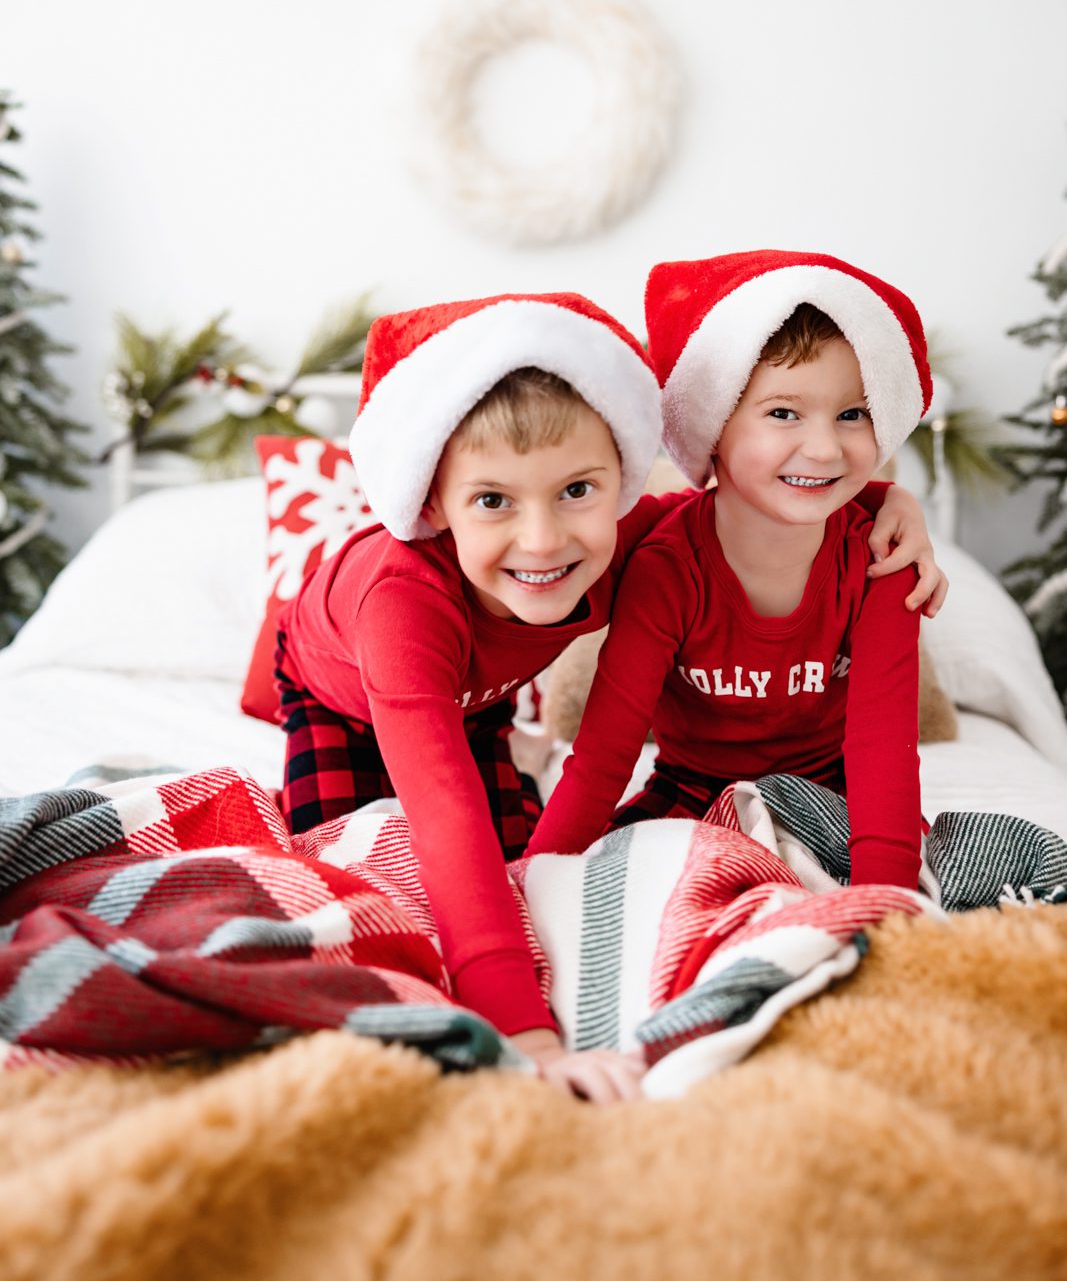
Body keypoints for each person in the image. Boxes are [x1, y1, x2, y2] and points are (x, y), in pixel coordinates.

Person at [277, 287, 941, 1101]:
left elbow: (752, 507)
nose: (544, 539)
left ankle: (509, 753)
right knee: (346, 888)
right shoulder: (403, 608)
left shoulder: (630, 539)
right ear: (430, 505)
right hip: (341, 700)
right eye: (492, 500)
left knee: (529, 874)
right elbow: (445, 821)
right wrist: (528, 1040)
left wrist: (884, 500)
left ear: (619, 482)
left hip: (480, 703)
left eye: (577, 491)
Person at [526, 251, 934, 894]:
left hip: (834, 791)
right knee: (620, 883)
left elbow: (884, 752)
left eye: (852, 414)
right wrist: (532, 880)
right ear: (713, 426)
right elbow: (605, 757)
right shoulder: (667, 569)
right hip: (691, 787)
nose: (825, 448)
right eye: (783, 413)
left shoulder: (883, 558)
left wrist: (887, 904)